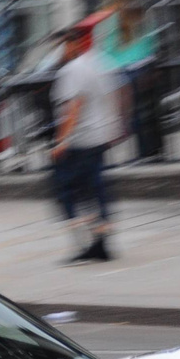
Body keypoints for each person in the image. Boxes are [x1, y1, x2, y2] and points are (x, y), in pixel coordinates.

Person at [51, 21, 128, 263]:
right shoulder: (101, 62)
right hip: (100, 136)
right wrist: (116, 126)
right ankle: (102, 242)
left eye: (62, 45)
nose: (60, 51)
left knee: (67, 192)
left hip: (80, 140)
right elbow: (120, 93)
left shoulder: (72, 70)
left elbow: (73, 107)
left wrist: (61, 141)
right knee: (96, 189)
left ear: (72, 44)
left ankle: (86, 243)